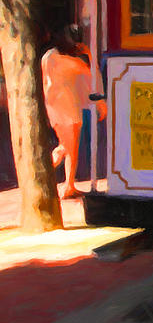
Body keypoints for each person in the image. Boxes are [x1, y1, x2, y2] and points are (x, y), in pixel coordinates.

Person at [41, 25, 105, 198]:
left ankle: (68, 184)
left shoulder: (49, 57)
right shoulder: (70, 62)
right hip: (68, 107)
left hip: (54, 106)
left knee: (67, 146)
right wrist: (89, 55)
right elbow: (91, 75)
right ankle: (60, 182)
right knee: (68, 148)